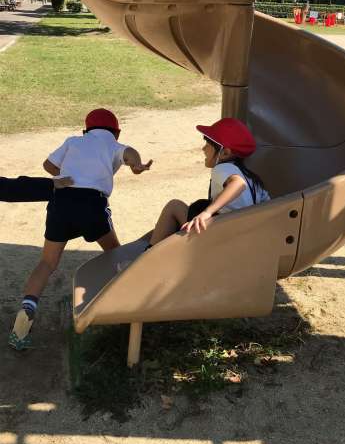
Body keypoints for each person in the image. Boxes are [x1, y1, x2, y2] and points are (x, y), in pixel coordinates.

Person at [9, 108, 152, 351]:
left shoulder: (73, 141)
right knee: (115, 254)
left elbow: (48, 165)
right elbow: (129, 154)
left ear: (85, 130)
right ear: (116, 132)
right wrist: (137, 165)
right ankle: (125, 307)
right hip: (92, 204)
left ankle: (28, 306)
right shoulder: (114, 145)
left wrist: (68, 175)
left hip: (61, 201)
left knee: (47, 263)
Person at [148, 117, 270, 246]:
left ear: (225, 153)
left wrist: (207, 213)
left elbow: (238, 184)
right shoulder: (252, 178)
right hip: (244, 236)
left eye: (208, 144)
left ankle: (149, 253)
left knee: (174, 206)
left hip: (223, 239)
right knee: (199, 205)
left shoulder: (223, 168)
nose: (203, 148)